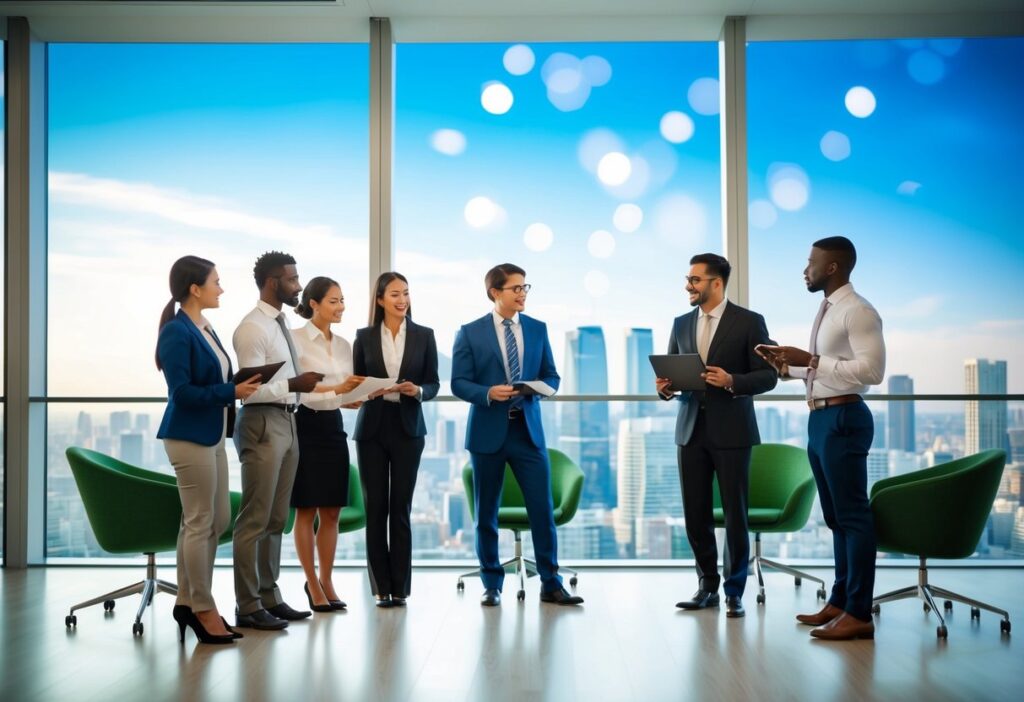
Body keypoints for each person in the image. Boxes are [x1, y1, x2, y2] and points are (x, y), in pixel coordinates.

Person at [756, 236, 885, 641]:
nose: (805, 268)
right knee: (834, 518)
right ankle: (841, 601)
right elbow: (829, 370)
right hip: (821, 419)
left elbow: (872, 371)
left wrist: (809, 360)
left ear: (832, 267)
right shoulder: (828, 309)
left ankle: (859, 614)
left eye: (811, 262)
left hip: (845, 418)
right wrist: (786, 369)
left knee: (852, 517)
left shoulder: (858, 311)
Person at [451, 263, 582, 607]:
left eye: (526, 287)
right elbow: (459, 382)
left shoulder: (538, 329)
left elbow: (552, 375)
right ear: (495, 292)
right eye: (516, 288)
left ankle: (551, 583)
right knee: (487, 514)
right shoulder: (470, 332)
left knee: (542, 511)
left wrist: (540, 388)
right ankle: (492, 584)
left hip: (527, 432)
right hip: (488, 431)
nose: (523, 293)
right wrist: (488, 393)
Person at [657, 253, 777, 618]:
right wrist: (665, 388)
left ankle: (734, 591)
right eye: (688, 279)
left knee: (734, 513)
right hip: (690, 429)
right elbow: (674, 371)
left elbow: (769, 376)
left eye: (694, 279)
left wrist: (733, 381)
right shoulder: (680, 323)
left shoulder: (749, 322)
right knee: (695, 513)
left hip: (733, 431)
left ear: (716, 283)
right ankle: (706, 585)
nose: (687, 286)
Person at [156, 255, 260, 645]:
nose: (222, 287)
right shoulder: (176, 332)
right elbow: (181, 393)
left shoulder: (206, 327)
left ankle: (186, 600)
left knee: (211, 520)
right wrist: (231, 391)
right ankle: (202, 607)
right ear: (195, 288)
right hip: (189, 436)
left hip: (214, 434)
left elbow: (214, 378)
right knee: (202, 522)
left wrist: (241, 382)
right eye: (216, 281)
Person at [231, 251, 325, 631]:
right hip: (262, 423)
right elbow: (247, 392)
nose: (299, 286)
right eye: (292, 279)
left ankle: (269, 597)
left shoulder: (280, 323)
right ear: (273, 282)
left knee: (275, 519)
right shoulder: (252, 328)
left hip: (288, 422)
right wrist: (293, 385)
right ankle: (247, 605)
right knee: (254, 519)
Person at [352, 272, 440, 608]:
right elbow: (356, 380)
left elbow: (432, 383)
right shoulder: (364, 336)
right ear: (379, 300)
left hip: (408, 427)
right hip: (372, 426)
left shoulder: (424, 335)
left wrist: (416, 390)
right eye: (394, 294)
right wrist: (366, 390)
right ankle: (380, 587)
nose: (402, 300)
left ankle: (400, 587)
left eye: (406, 293)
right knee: (376, 508)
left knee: (400, 509)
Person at [289, 277, 366, 613]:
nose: (341, 307)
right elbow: (297, 390)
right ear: (314, 303)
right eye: (333, 301)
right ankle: (311, 581)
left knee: (332, 511)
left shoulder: (346, 344)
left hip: (334, 426)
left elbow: (342, 390)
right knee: (306, 510)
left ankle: (327, 579)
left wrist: (352, 399)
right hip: (304, 426)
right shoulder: (295, 340)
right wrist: (337, 391)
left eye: (343, 300)